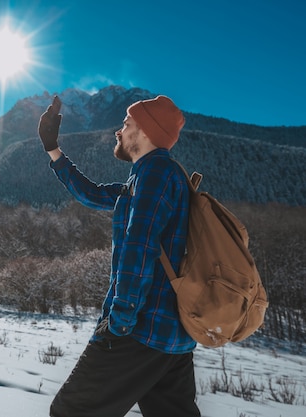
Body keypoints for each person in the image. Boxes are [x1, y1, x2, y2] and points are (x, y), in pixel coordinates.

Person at [38, 94, 201, 417]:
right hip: (171, 337)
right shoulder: (148, 177)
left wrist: (119, 323)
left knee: (70, 411)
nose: (119, 130)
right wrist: (52, 147)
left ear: (145, 132)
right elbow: (93, 193)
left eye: (126, 123)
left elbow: (138, 248)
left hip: (139, 329)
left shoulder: (155, 175)